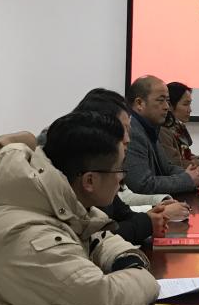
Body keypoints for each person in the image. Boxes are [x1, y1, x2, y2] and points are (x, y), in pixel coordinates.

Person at [0, 111, 159, 305]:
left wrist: (126, 257)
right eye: (120, 168)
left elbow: (95, 235)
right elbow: (103, 300)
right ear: (89, 181)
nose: (122, 177)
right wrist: (142, 274)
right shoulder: (32, 239)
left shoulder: (50, 197)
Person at [73, 87, 189, 242]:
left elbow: (122, 208)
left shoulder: (148, 133)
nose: (128, 139)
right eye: (123, 130)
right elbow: (98, 236)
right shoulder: (80, 167)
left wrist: (156, 210)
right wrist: (154, 217)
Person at [125, 75, 199, 195]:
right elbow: (142, 184)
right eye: (161, 100)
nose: (167, 107)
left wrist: (194, 174)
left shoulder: (150, 128)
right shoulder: (132, 132)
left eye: (167, 101)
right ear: (139, 103)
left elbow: (167, 168)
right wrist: (187, 180)